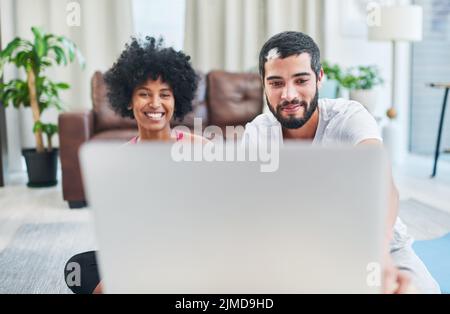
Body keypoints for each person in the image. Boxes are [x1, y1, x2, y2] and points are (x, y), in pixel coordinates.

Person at [242, 31, 440, 294]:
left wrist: (379, 251)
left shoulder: (348, 117)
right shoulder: (257, 132)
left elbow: (379, 178)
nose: (289, 95)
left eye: (301, 80)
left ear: (319, 78)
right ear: (264, 85)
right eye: (276, 83)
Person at [64, 36, 205, 294]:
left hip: (191, 252)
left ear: (176, 101)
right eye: (144, 94)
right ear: (129, 101)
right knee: (77, 269)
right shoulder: (120, 161)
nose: (155, 103)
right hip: (144, 255)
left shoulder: (200, 149)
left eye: (165, 94)